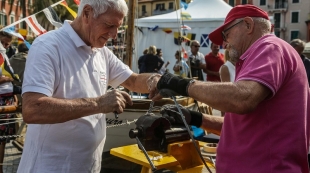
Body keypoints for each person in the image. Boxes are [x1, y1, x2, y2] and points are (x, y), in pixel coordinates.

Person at [150, 5, 309, 173]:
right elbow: (241, 125)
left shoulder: (268, 46)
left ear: (248, 25)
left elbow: (242, 99)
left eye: (226, 35)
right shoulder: (262, 53)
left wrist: (179, 84)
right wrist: (195, 118)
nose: (224, 44)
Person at [17, 1, 159, 172]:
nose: (114, 34)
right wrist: (98, 104)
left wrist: (156, 81)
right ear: (86, 13)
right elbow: (33, 108)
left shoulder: (102, 52)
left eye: (117, 26)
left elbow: (133, 81)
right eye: (109, 25)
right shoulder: (48, 46)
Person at [0, 39, 21, 173]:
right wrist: (10, 78)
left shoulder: (4, 55)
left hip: (7, 99)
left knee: (3, 140)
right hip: (1, 101)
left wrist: (14, 98)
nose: (6, 46)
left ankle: (1, 167)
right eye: (4, 43)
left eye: (8, 44)